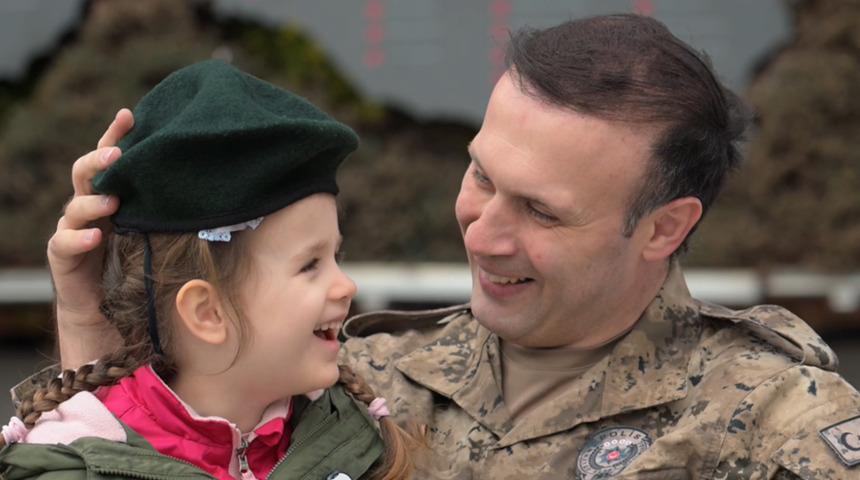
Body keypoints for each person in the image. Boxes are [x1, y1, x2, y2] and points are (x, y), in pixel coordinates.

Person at [10, 13, 860, 480]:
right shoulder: (358, 381)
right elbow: (133, 457)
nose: (483, 232)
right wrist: (90, 307)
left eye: (541, 211)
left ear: (664, 228)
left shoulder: (776, 424)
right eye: (480, 176)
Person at [0, 60, 421, 480]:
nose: (346, 285)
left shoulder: (356, 442)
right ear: (207, 312)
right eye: (310, 265)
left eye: (336, 257)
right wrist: (82, 317)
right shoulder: (72, 467)